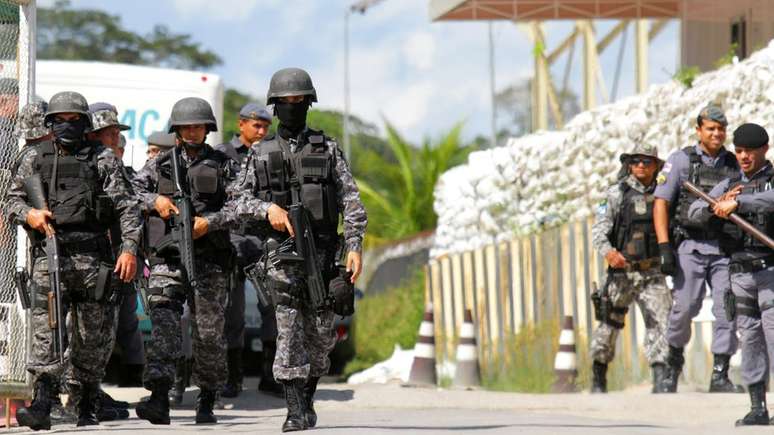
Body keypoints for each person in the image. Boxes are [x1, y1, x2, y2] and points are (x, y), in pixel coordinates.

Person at [233, 67, 367, 432]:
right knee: (288, 331)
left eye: (299, 102)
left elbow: (352, 203)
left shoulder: (328, 149)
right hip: (282, 257)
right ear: (275, 108)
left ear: (308, 104)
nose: (293, 108)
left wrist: (354, 247)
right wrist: (267, 209)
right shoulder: (259, 153)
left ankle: (306, 401)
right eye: (286, 103)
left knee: (321, 338)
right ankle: (293, 411)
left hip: (324, 255)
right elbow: (236, 202)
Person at [7, 91, 141, 429]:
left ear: (85, 123)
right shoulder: (32, 157)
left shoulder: (102, 159)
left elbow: (128, 207)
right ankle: (41, 402)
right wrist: (31, 215)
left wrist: (128, 249)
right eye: (61, 121)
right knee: (46, 330)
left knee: (92, 337)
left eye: (74, 121)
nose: (67, 126)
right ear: (50, 123)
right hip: (50, 255)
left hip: (94, 258)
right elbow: (11, 201)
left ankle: (88, 401)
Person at [132, 97, 240, 425]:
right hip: (168, 258)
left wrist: (211, 222)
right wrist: (156, 201)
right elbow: (127, 191)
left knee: (208, 333)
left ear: (207, 129)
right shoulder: (160, 163)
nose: (192, 132)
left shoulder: (224, 164)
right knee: (164, 324)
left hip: (209, 261)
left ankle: (206, 398)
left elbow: (241, 204)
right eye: (186, 127)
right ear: (176, 129)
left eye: (198, 126)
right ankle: (160, 397)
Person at [652, 104, 742, 393]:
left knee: (727, 308)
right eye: (711, 129)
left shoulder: (733, 163)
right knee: (685, 307)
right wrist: (664, 246)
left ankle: (720, 373)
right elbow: (661, 203)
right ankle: (673, 364)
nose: (717, 134)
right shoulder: (681, 161)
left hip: (723, 248)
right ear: (699, 130)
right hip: (689, 246)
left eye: (721, 129)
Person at [688, 123, 774, 425]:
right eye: (739, 151)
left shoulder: (769, 182)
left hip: (770, 271)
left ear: (764, 149)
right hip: (739, 273)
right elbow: (694, 210)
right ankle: (757, 407)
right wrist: (715, 208)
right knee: (750, 339)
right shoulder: (728, 184)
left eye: (750, 151)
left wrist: (740, 202)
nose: (744, 157)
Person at [590, 144, 671, 393]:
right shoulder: (615, 194)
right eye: (635, 161)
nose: (641, 166)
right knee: (608, 324)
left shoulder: (664, 193)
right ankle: (598, 376)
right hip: (621, 273)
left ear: (656, 165)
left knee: (661, 324)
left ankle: (660, 379)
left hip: (652, 272)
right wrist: (610, 253)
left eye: (647, 161)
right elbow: (598, 231)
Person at [214, 103, 274, 398]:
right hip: (235, 239)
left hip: (264, 241)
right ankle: (233, 377)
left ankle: (269, 375)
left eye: (265, 126)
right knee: (233, 309)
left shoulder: (272, 153)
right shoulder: (223, 154)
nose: (261, 131)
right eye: (256, 125)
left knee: (271, 306)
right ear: (241, 125)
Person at [88, 103, 145, 388]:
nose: (114, 141)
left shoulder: (118, 169)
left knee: (115, 323)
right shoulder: (82, 163)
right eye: (109, 135)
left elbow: (130, 206)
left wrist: (128, 249)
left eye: (115, 135)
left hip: (113, 258)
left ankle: (94, 390)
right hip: (85, 258)